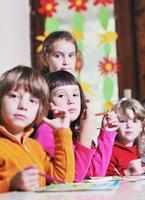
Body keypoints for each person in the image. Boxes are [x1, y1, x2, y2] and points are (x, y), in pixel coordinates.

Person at [34, 70, 119, 182]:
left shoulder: (74, 129)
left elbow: (94, 173)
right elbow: (73, 178)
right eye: (61, 95)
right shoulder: (46, 131)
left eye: (75, 94)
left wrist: (106, 133)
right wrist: (85, 135)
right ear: (47, 103)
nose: (71, 101)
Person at [0, 66, 74, 193]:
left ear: (39, 110)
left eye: (33, 101)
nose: (23, 106)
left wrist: (62, 131)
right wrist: (11, 184)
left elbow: (62, 179)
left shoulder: (35, 147)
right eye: (14, 96)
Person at [106, 98, 145, 176]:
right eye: (123, 121)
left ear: (141, 126)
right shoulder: (110, 151)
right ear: (115, 124)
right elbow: (104, 181)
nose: (129, 126)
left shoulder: (141, 150)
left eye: (134, 121)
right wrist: (127, 172)